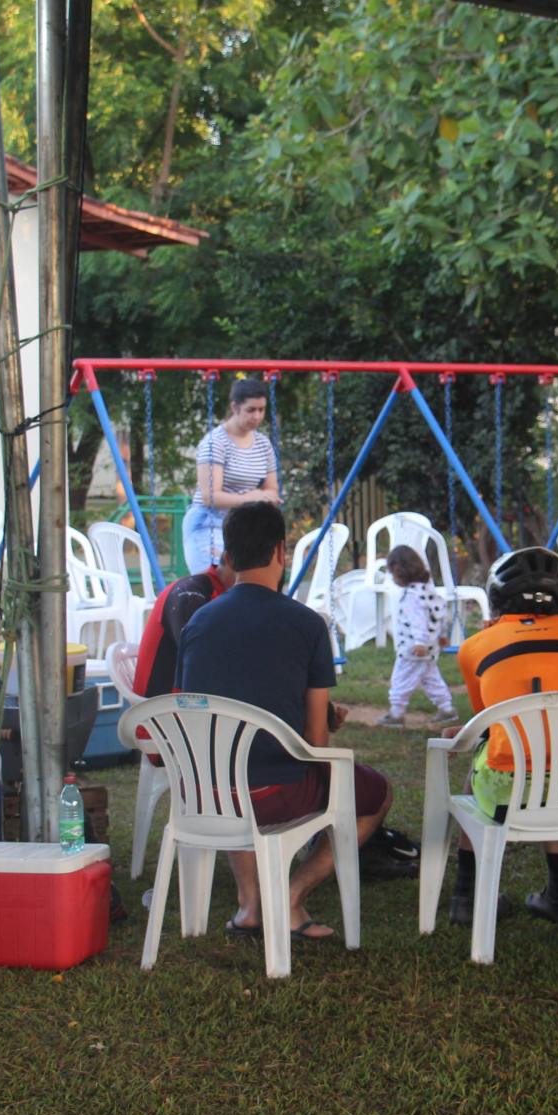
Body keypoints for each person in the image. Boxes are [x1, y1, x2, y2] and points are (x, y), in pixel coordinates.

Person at [176, 501, 393, 940]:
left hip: (205, 793)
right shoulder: (307, 624)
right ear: (281, 551)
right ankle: (290, 897)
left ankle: (251, 906)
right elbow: (315, 739)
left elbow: (197, 710)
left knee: (233, 762)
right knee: (377, 792)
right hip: (276, 795)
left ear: (229, 557)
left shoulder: (198, 622)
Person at [447, 546, 558, 925]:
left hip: (505, 796)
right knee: (555, 757)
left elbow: (485, 721)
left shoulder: (474, 647)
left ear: (496, 598)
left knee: (479, 768)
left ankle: (468, 896)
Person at [181, 379, 280, 574]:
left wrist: (263, 498)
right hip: (208, 523)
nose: (257, 416)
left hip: (243, 524)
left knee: (248, 583)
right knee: (217, 582)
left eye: (261, 410)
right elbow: (211, 497)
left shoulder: (263, 444)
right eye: (251, 410)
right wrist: (252, 498)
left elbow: (272, 489)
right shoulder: (215, 442)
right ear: (235, 407)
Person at [131, 552, 236, 701]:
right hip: (163, 710)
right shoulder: (190, 595)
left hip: (195, 705)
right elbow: (202, 667)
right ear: (230, 560)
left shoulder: (226, 595)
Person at [380, 544, 456, 727]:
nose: (392, 578)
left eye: (392, 573)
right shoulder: (427, 591)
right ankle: (447, 709)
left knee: (401, 679)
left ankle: (396, 714)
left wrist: (420, 643)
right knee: (431, 679)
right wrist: (442, 635)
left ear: (400, 572)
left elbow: (418, 621)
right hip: (430, 648)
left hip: (413, 649)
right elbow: (440, 613)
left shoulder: (411, 596)